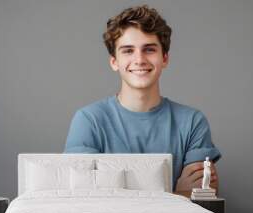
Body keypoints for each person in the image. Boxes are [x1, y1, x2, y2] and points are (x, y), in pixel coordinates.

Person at [64, 5, 220, 196]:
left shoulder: (193, 122)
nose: (139, 59)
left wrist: (121, 192)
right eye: (128, 51)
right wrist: (176, 194)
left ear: (164, 58)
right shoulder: (88, 121)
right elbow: (86, 200)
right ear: (114, 61)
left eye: (149, 49)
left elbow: (202, 199)